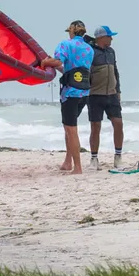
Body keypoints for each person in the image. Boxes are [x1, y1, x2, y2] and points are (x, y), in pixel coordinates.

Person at [41, 20, 94, 175]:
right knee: (68, 128)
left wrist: (46, 62)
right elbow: (73, 71)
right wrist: (57, 67)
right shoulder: (89, 49)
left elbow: (57, 60)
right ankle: (67, 162)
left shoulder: (66, 44)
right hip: (84, 93)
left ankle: (77, 167)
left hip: (70, 94)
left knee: (71, 130)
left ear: (71, 31)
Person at [87, 25, 124, 170]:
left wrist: (118, 90)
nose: (112, 38)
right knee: (95, 127)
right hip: (95, 95)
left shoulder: (111, 52)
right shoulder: (91, 52)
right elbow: (87, 73)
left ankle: (118, 157)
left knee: (118, 124)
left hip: (112, 95)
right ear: (102, 37)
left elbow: (115, 71)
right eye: (109, 36)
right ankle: (94, 159)